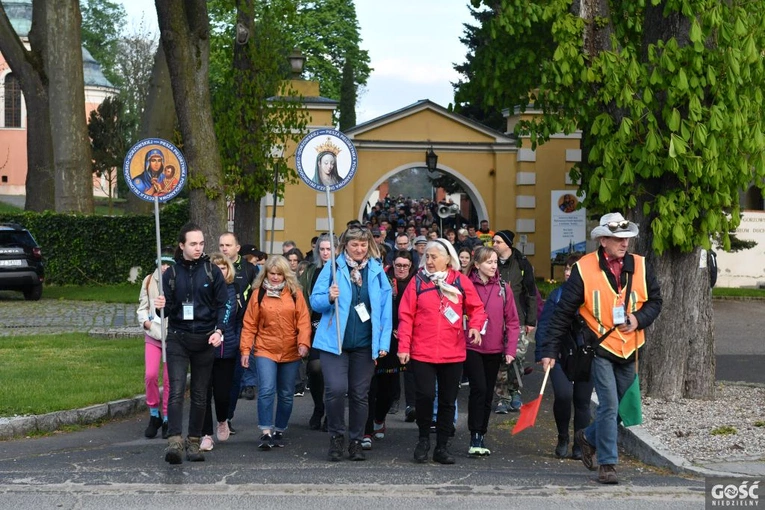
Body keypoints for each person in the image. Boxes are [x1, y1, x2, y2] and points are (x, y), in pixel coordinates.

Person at [541, 213, 662, 484]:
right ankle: (607, 464)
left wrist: (637, 319)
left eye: (627, 238)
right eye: (618, 239)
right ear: (603, 240)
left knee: (622, 408)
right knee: (609, 405)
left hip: (631, 346)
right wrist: (549, 351)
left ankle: (587, 437)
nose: (625, 243)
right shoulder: (584, 268)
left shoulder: (640, 265)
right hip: (600, 346)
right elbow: (562, 313)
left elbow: (655, 301)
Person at [397, 239, 487, 464]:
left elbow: (477, 308)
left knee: (448, 400)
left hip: (452, 352)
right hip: (422, 352)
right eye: (426, 256)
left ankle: (442, 446)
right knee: (425, 397)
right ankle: (424, 439)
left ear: (448, 260)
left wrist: (475, 326)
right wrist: (403, 347)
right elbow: (406, 316)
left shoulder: (460, 282)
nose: (429, 261)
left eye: (434, 257)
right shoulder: (417, 282)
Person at [310, 226, 392, 462]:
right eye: (354, 244)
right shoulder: (333, 268)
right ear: (345, 245)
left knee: (359, 394)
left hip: (365, 345)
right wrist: (328, 297)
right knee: (335, 389)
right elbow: (314, 301)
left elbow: (386, 310)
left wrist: (383, 342)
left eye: (363, 245)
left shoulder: (376, 271)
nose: (359, 249)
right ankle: (336, 436)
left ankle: (356, 440)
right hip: (334, 342)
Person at [153, 223, 228, 464]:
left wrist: (220, 330)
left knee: (199, 394)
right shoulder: (171, 274)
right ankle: (174, 441)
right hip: (178, 337)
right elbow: (162, 313)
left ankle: (194, 441)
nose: (198, 248)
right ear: (182, 245)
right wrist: (160, 305)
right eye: (193, 244)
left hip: (205, 339)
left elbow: (224, 304)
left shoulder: (211, 271)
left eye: (201, 243)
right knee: (176, 390)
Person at [240, 256, 311, 449]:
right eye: (272, 273)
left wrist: (304, 342)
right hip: (265, 348)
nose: (275, 277)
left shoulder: (295, 293)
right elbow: (249, 324)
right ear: (266, 273)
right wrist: (246, 350)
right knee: (266, 390)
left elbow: (303, 321)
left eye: (279, 274)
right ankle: (265, 431)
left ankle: (279, 429)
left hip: (290, 349)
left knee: (287, 393)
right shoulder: (258, 294)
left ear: (286, 274)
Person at [534, 253, 593, 460]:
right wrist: (543, 353)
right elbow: (545, 325)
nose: (568, 273)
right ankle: (562, 438)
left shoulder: (593, 296)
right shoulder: (557, 295)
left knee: (582, 401)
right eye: (567, 269)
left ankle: (580, 443)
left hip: (585, 355)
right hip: (559, 354)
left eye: (573, 269)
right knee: (563, 395)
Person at [465, 247, 520, 456]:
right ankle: (474, 434)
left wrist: (510, 349)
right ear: (477, 264)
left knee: (487, 392)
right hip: (471, 346)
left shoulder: (504, 288)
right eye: (488, 262)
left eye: (495, 262)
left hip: (494, 347)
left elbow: (513, 321)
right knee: (478, 388)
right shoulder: (465, 285)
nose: (493, 266)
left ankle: (481, 432)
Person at [362, 250, 415, 449]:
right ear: (392, 264)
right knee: (369, 389)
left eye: (405, 266)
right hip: (376, 338)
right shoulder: (382, 279)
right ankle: (366, 430)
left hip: (397, 343)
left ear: (410, 266)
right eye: (398, 265)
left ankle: (379, 418)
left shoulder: (414, 283)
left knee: (389, 391)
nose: (401, 269)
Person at [492, 229, 539, 413]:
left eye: (497, 242)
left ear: (507, 244)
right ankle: (502, 397)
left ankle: (515, 391)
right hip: (495, 319)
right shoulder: (491, 262)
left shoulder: (521, 263)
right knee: (500, 359)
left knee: (516, 357)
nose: (494, 245)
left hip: (518, 319)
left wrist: (531, 320)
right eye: (493, 242)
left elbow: (531, 293)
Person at [199, 253, 242, 452]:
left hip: (227, 349)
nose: (219, 271)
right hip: (204, 348)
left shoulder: (234, 290)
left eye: (223, 267)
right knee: (204, 393)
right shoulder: (202, 289)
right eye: (215, 267)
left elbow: (239, 319)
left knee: (223, 394)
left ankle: (223, 419)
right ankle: (206, 434)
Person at [298, 233, 337, 431]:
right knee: (315, 368)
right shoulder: (311, 271)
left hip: (336, 325)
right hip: (314, 323)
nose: (325, 253)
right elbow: (303, 298)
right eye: (322, 249)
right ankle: (318, 407)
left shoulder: (341, 270)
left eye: (329, 249)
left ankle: (332, 412)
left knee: (332, 371)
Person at [136, 252, 173, 440]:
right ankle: (154, 414)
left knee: (168, 379)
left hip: (171, 337)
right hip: (153, 335)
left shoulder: (177, 279)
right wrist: (146, 323)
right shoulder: (149, 280)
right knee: (150, 375)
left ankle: (167, 417)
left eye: (169, 263)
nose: (166, 267)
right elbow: (142, 307)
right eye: (163, 263)